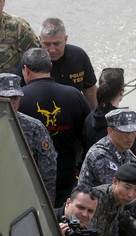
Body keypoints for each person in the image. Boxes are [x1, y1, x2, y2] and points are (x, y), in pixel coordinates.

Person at [17, 48, 91, 207]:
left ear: (26, 69)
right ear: (50, 66)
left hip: (29, 180)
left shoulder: (18, 100)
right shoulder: (74, 95)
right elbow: (89, 134)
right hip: (66, 177)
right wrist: (81, 164)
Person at [0, 73, 58, 205]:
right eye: (5, 97)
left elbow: (48, 171)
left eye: (15, 97)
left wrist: (46, 206)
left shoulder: (34, 128)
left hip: (23, 196)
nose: (11, 102)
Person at [14, 18, 98, 109]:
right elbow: (14, 94)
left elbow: (90, 90)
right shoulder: (28, 61)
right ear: (40, 40)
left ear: (65, 39)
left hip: (72, 112)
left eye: (57, 44)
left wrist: (96, 118)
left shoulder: (79, 56)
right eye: (47, 44)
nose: (52, 50)